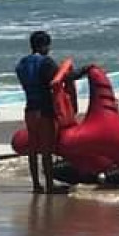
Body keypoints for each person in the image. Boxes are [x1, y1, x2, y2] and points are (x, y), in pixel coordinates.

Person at [15, 31, 89, 194]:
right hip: (44, 111)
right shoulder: (46, 62)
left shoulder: (21, 64)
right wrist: (84, 71)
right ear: (43, 46)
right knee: (47, 150)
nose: (48, 49)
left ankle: (36, 185)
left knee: (33, 149)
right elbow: (63, 78)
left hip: (30, 110)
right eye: (47, 45)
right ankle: (49, 185)